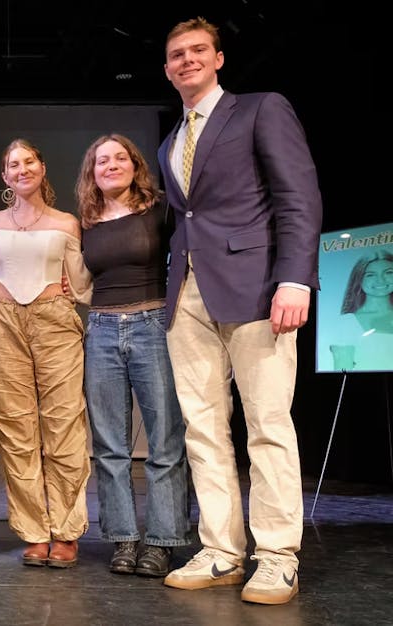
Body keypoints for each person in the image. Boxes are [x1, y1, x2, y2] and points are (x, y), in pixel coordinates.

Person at [157, 18, 323, 605]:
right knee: (202, 429)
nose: (186, 61)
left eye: (198, 51)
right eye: (176, 55)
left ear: (219, 58)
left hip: (257, 288)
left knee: (267, 424)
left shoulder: (260, 109)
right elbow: (190, 218)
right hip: (189, 294)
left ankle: (277, 555)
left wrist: (296, 279)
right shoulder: (170, 138)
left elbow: (297, 197)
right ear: (167, 67)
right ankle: (222, 549)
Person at [75, 134, 190, 577]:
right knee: (109, 445)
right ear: (92, 171)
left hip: (152, 325)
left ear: (135, 164)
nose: (110, 165)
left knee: (164, 440)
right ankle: (124, 539)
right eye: (101, 160)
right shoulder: (86, 219)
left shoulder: (160, 209)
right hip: (101, 330)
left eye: (119, 157)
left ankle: (162, 542)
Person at [0, 138, 92, 568]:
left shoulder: (67, 223)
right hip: (5, 320)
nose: (22, 169)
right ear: (5, 176)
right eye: (14, 164)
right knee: (15, 428)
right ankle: (33, 530)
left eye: (29, 161)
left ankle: (65, 531)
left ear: (42, 168)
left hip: (55, 321)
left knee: (63, 425)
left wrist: (71, 293)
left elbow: (81, 283)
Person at [329, 251, 393, 372]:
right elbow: (342, 371)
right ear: (359, 279)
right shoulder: (346, 323)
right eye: (371, 275)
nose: (381, 280)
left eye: (389, 273)